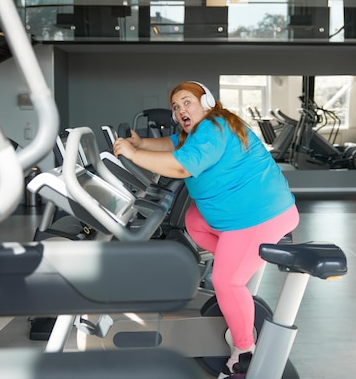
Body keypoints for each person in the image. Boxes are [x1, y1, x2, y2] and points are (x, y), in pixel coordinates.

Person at [113, 81, 299, 378]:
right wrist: (139, 144)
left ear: (207, 102)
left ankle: (244, 351)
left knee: (227, 281)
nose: (180, 110)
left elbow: (182, 166)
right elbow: (173, 144)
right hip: (242, 214)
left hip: (260, 215)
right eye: (176, 106)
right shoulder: (199, 131)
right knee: (195, 220)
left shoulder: (213, 127)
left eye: (187, 102)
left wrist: (133, 155)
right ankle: (240, 262)